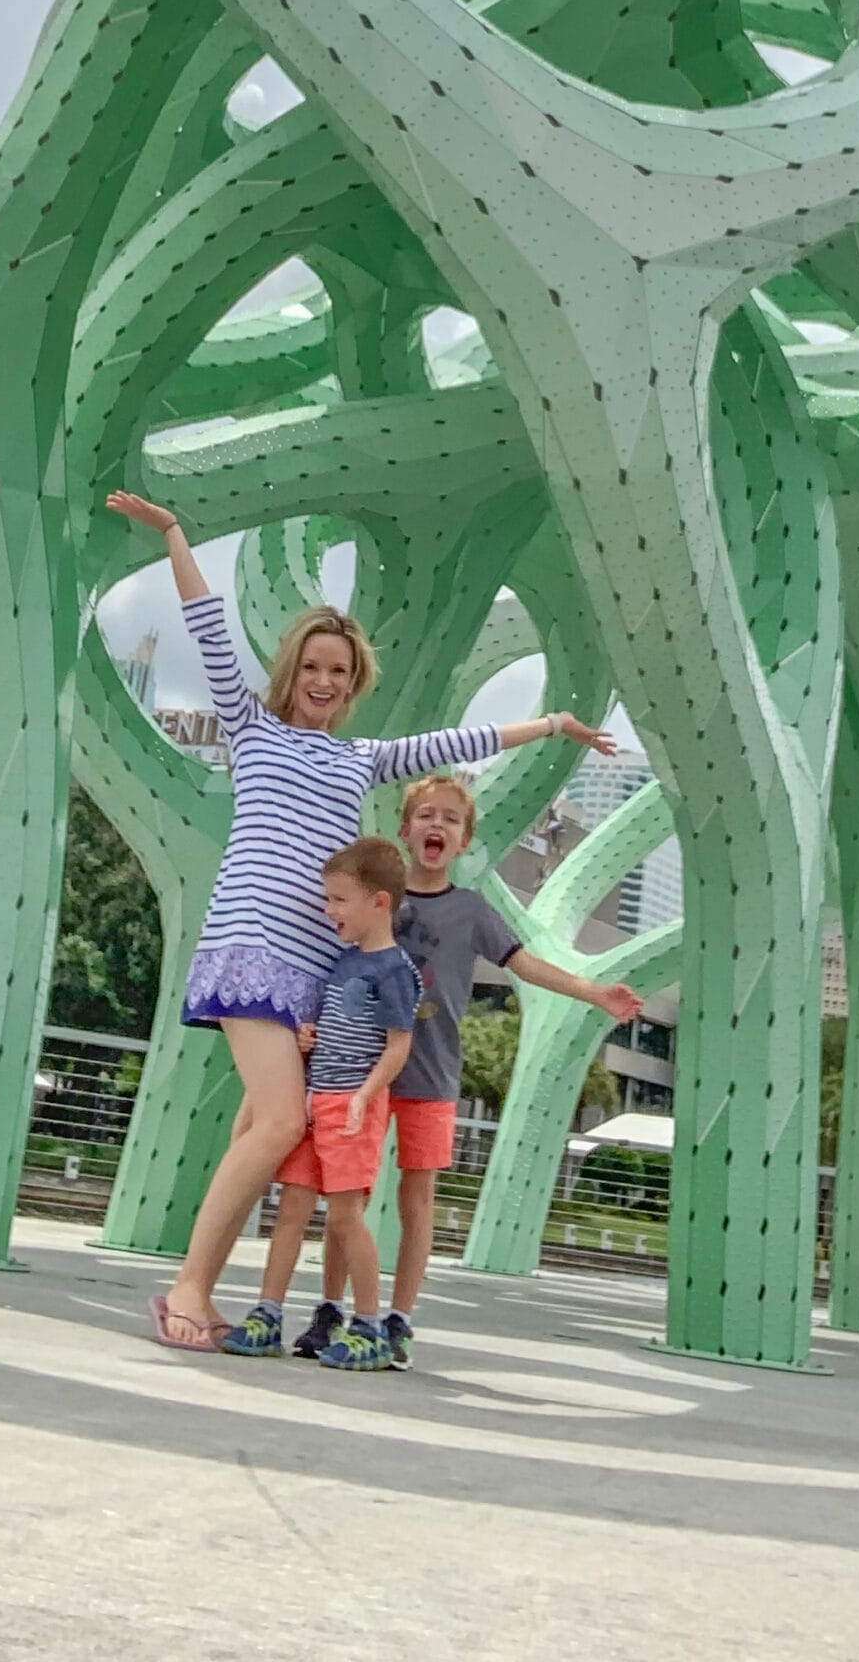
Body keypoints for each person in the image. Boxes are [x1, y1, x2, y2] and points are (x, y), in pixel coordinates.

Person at [106, 490, 615, 1350]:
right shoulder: (252, 728)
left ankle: (200, 1286)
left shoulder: (361, 758)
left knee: (254, 1128)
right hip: (252, 949)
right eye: (313, 666)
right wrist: (174, 537)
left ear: (353, 684)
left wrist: (554, 724)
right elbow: (208, 627)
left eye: (339, 672)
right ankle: (188, 1289)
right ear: (292, 671)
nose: (324, 682)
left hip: (316, 974)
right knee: (278, 1123)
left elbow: (458, 744)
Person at [287, 771, 648, 1369]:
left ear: (464, 841)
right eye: (427, 814)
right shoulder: (379, 903)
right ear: (406, 831)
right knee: (347, 1196)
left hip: (430, 1074)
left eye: (451, 819)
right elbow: (332, 965)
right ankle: (332, 1309)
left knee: (417, 1197)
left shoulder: (472, 911)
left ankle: (397, 1319)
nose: (437, 825)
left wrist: (593, 992)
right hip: (360, 1073)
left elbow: (526, 964)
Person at [224, 835, 420, 1371]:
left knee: (344, 1217)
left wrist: (363, 1097)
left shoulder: (395, 971)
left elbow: (399, 1046)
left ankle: (371, 1325)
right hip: (317, 1101)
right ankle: (268, 1312)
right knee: (290, 1209)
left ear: (378, 902)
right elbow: (338, 1025)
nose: (328, 909)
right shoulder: (345, 962)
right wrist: (312, 1039)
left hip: (351, 1108)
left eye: (338, 900)